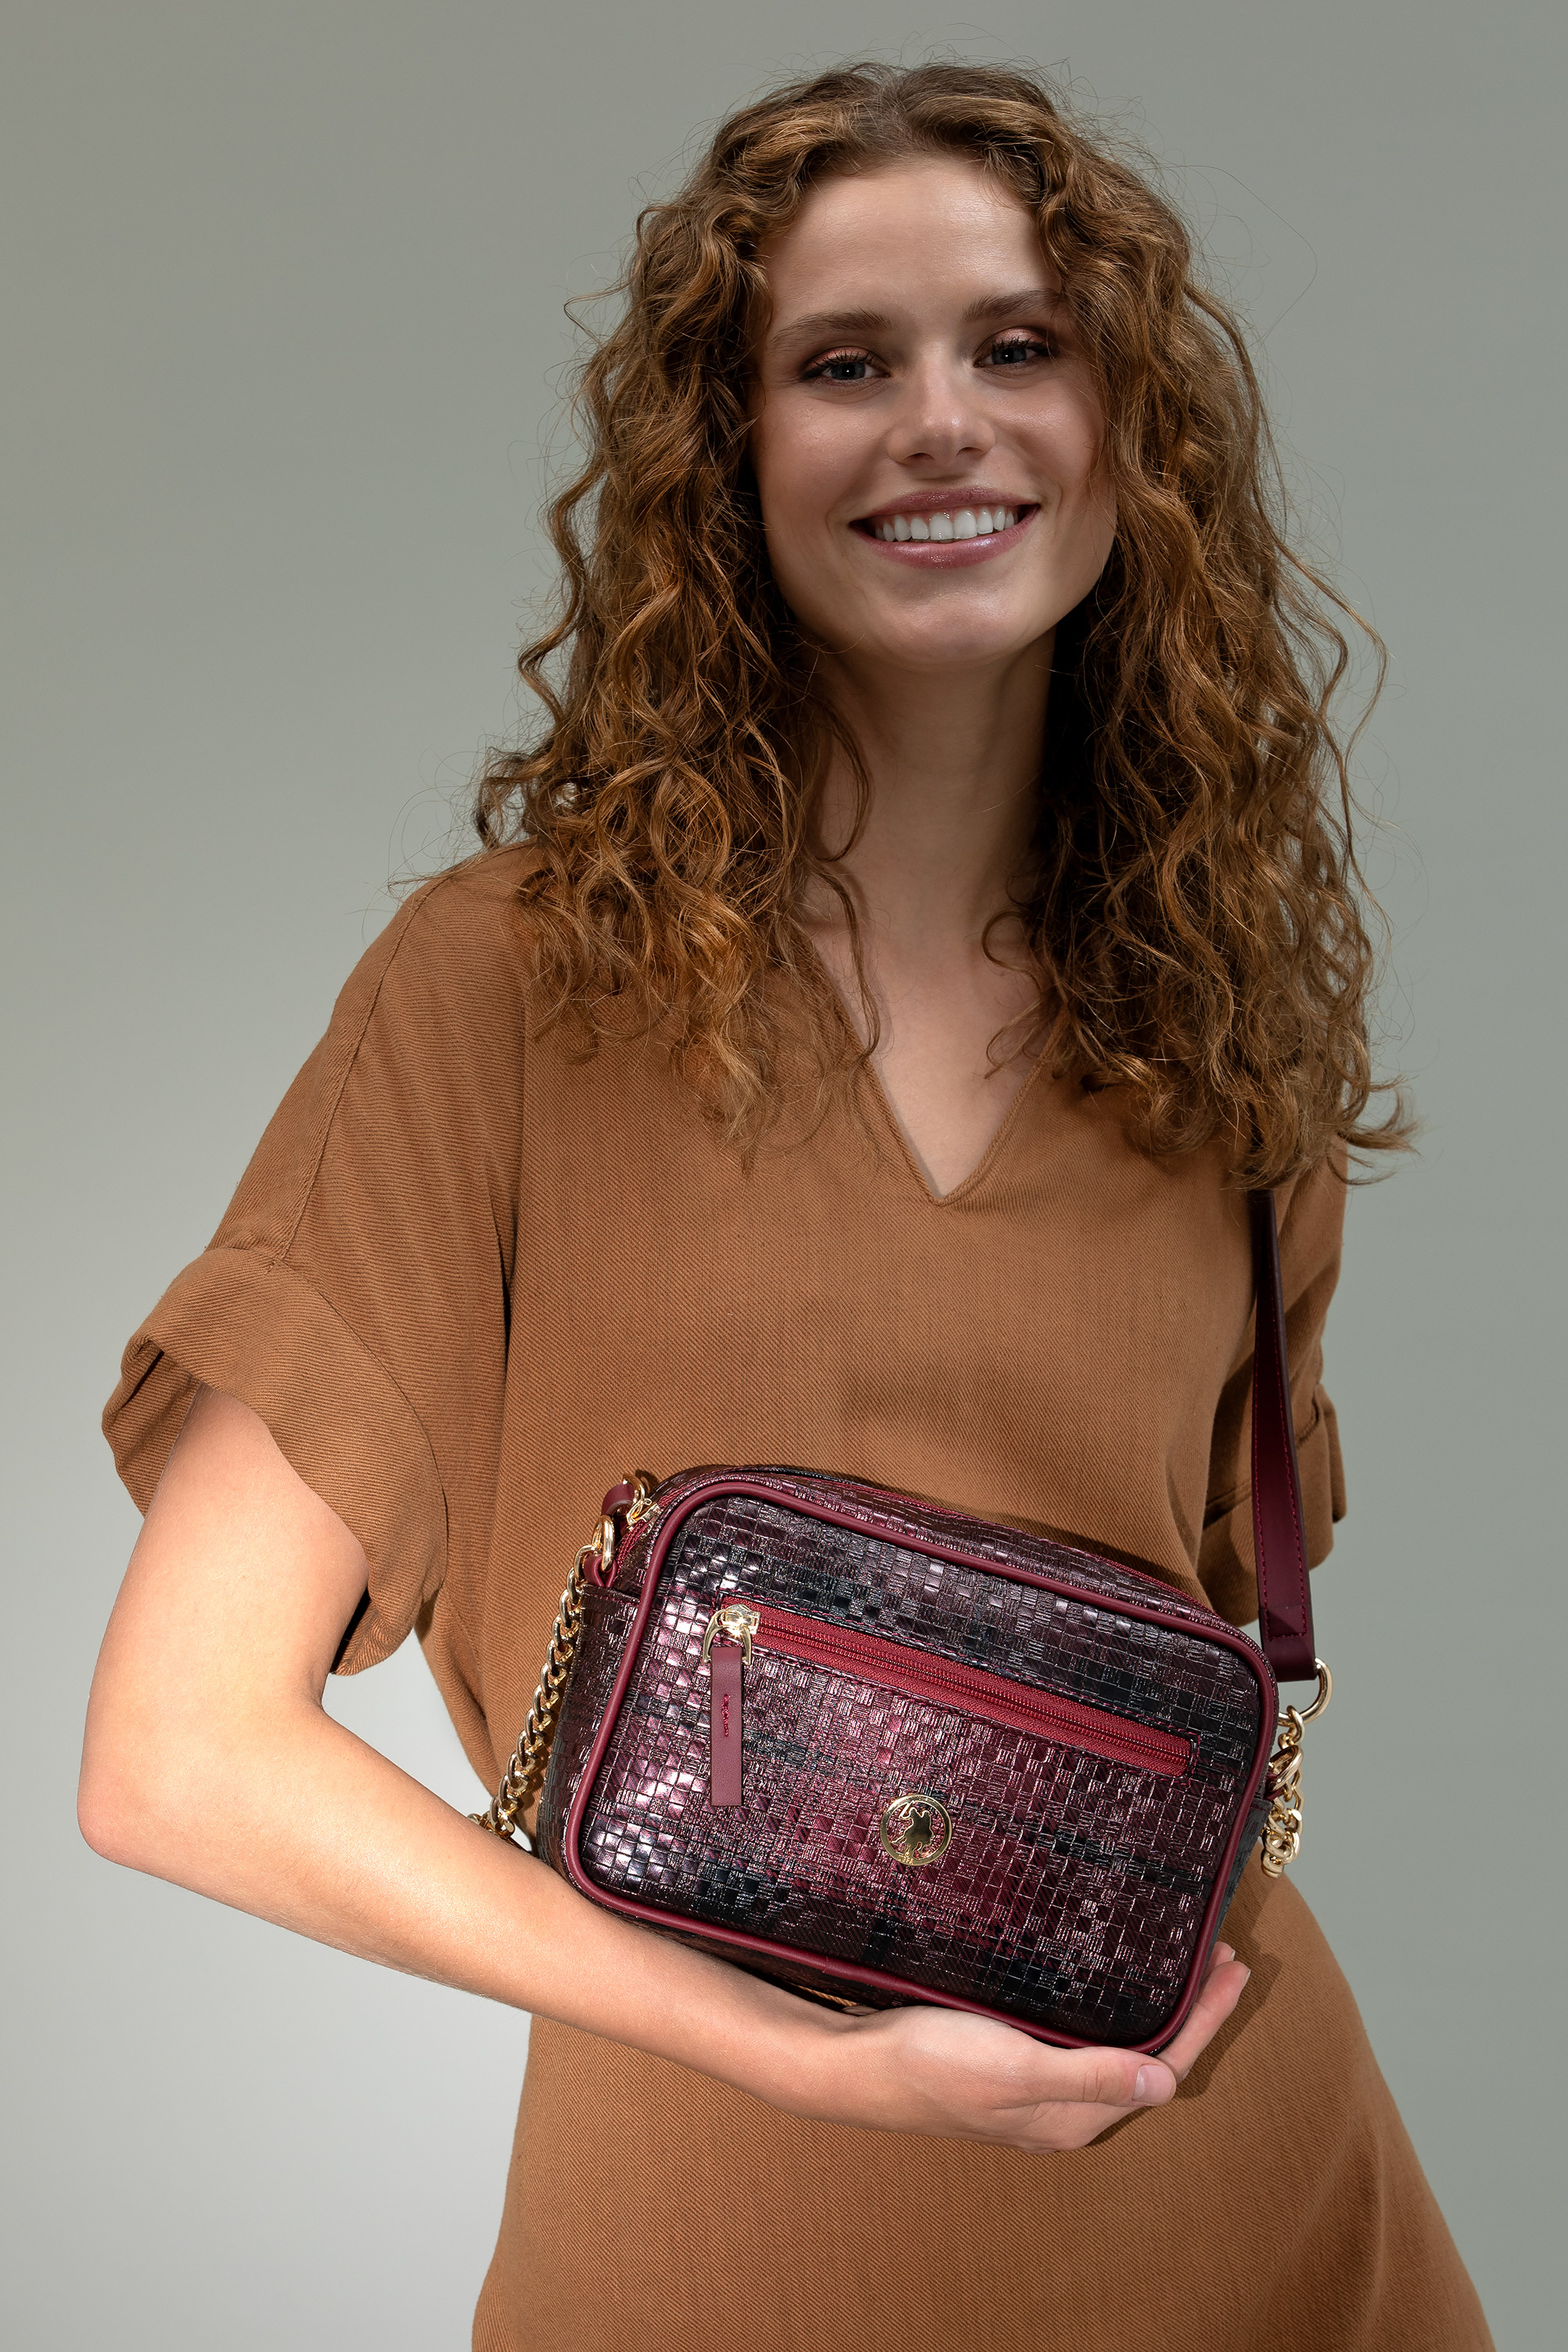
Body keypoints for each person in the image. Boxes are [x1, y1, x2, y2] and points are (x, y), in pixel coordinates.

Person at [81, 60, 1491, 2352]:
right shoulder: (505, 992)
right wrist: (805, 2057)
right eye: (845, 363)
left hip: (1255, 2235)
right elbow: (177, 1759)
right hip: (709, 2246)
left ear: (1130, 431)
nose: (943, 422)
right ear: (724, 456)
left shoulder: (1223, 1051)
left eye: (1018, 346)